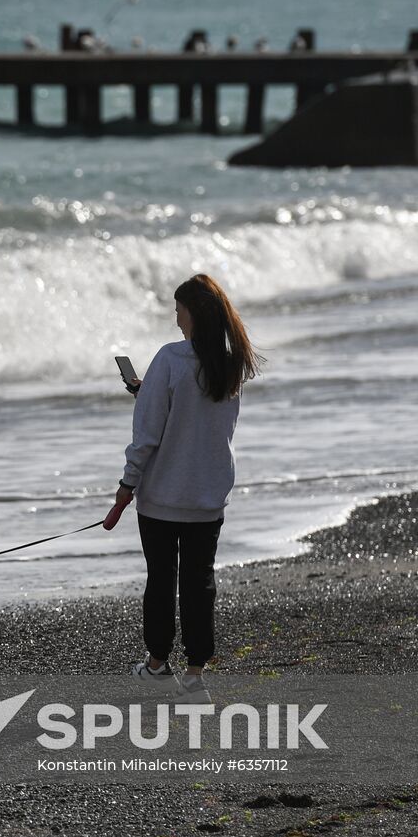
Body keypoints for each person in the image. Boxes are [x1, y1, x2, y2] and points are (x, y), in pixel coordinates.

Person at [114, 274, 261, 702]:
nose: (176, 319)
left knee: (161, 580)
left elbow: (148, 436)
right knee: (200, 583)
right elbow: (202, 419)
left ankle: (157, 665)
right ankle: (195, 676)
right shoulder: (231, 363)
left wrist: (127, 484)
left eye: (179, 310)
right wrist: (152, 392)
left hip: (162, 496)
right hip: (208, 493)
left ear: (192, 312)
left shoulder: (170, 360)